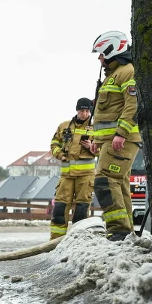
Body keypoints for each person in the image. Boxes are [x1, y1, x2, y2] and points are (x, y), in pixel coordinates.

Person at [86, 31, 140, 241]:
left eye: (101, 54)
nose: (99, 59)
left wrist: (121, 133)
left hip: (122, 140)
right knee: (119, 185)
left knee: (105, 181)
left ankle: (118, 232)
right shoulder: (113, 76)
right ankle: (127, 234)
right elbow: (105, 113)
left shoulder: (128, 72)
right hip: (111, 142)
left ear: (112, 50)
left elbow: (133, 105)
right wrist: (96, 139)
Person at [48, 97, 96, 239]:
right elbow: (54, 144)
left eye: (87, 111)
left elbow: (104, 150)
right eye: (82, 111)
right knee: (59, 209)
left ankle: (78, 241)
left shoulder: (96, 128)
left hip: (85, 177)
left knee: (81, 211)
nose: (84, 114)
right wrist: (60, 155)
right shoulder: (64, 126)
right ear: (77, 110)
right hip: (66, 176)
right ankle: (55, 242)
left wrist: (92, 147)